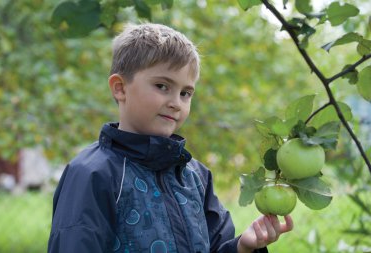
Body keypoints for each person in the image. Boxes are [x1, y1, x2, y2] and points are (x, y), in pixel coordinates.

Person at [48, 23, 293, 253]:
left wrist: (242, 246)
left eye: (185, 93)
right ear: (120, 88)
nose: (176, 103)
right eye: (162, 86)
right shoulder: (94, 174)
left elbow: (217, 245)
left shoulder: (195, 176)